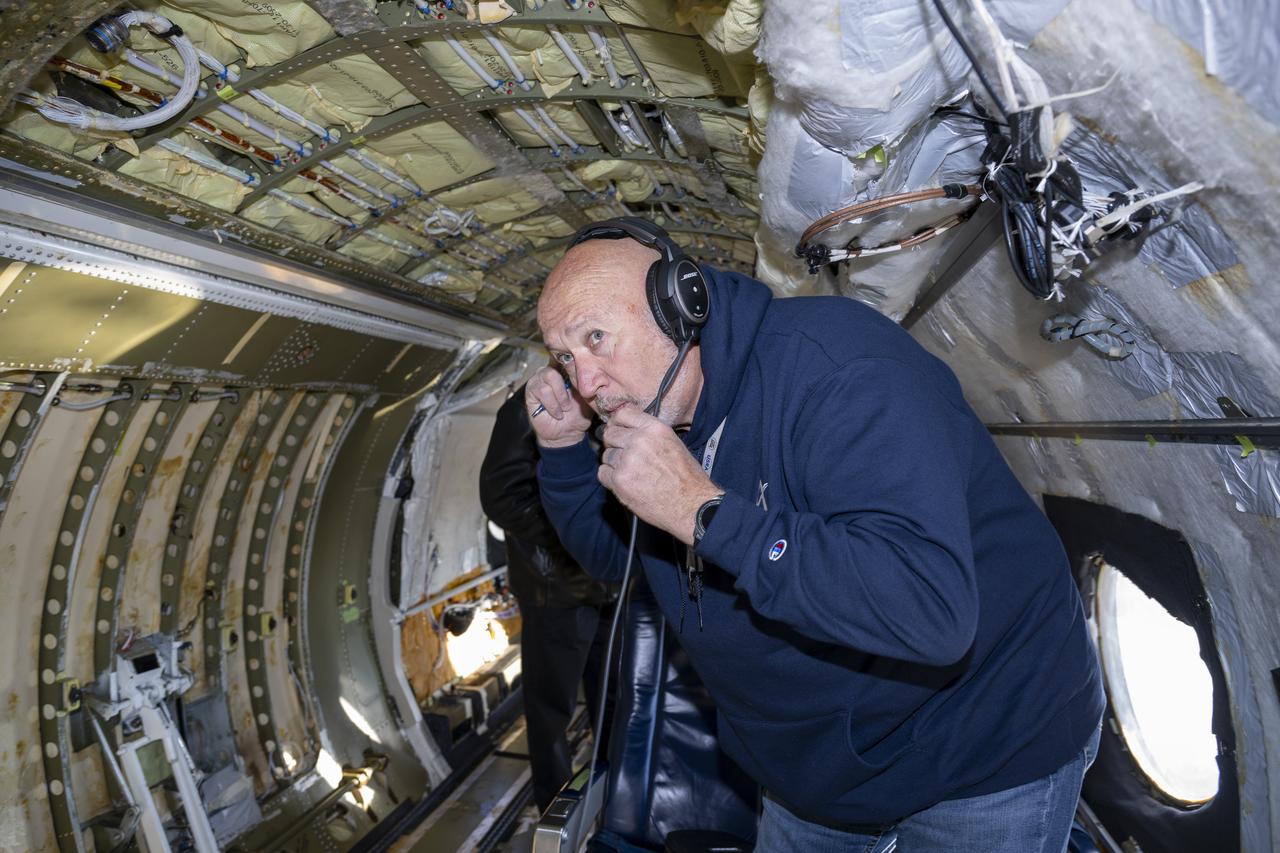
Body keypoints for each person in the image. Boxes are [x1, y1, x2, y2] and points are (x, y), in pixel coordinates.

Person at [524, 218, 1105, 852]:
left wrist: (704, 510)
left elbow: (928, 609)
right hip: (810, 775)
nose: (585, 384)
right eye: (564, 357)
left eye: (596, 339)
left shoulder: (841, 369)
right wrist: (561, 454)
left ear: (680, 303)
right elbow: (614, 556)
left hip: (982, 746)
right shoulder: (653, 417)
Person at [479, 384, 615, 813]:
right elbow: (502, 496)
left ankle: (614, 800)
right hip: (553, 589)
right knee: (550, 712)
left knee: (614, 700)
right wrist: (572, 537)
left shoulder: (609, 396)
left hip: (611, 589)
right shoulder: (522, 409)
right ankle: (553, 808)